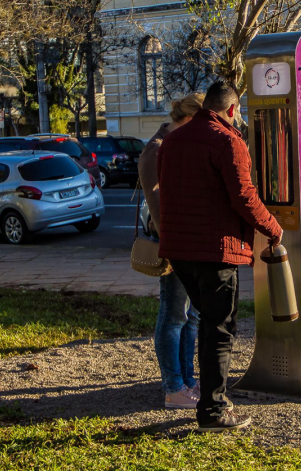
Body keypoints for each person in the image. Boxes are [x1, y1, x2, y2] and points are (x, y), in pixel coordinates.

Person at [157, 80, 282, 432]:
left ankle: (208, 399)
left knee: (207, 324)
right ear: (229, 109)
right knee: (219, 330)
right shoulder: (228, 141)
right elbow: (244, 197)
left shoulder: (173, 140)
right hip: (217, 251)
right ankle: (213, 411)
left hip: (180, 252)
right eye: (238, 110)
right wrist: (273, 228)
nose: (238, 117)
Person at [138, 93, 205, 410]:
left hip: (188, 242)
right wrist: (178, 248)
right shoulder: (157, 149)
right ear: (191, 118)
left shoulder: (177, 143)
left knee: (190, 316)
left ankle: (188, 381)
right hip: (175, 245)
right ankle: (174, 387)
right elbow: (158, 210)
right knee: (174, 316)